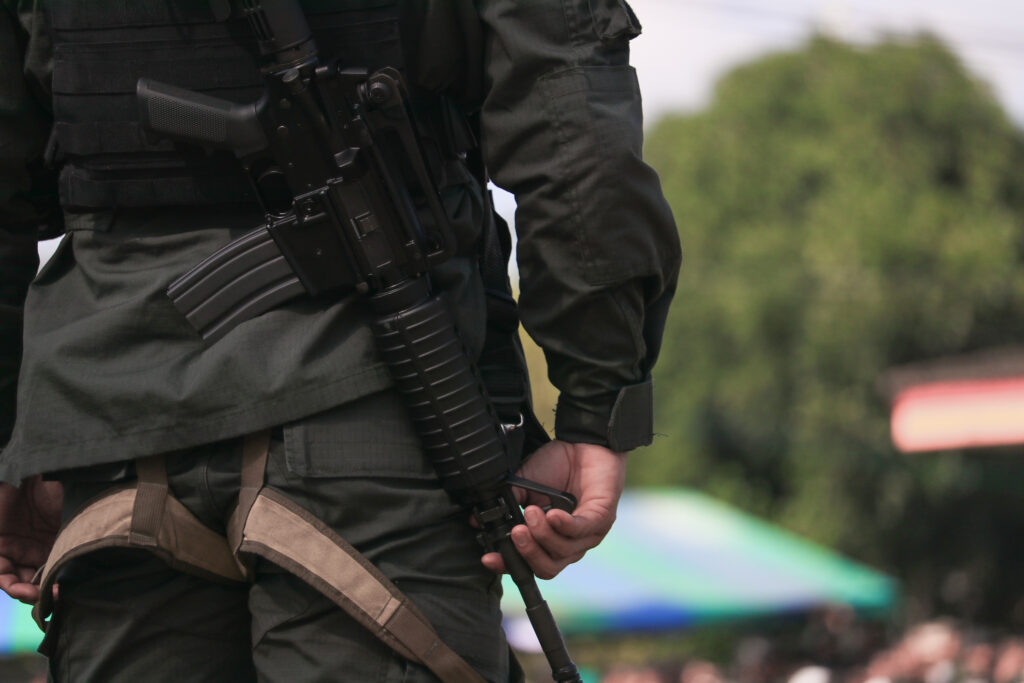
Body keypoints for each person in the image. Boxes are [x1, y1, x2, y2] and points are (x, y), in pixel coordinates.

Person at [0, 0, 680, 680]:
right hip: (375, 416)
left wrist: (8, 441)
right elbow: (573, 126)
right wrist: (598, 403)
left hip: (118, 419)